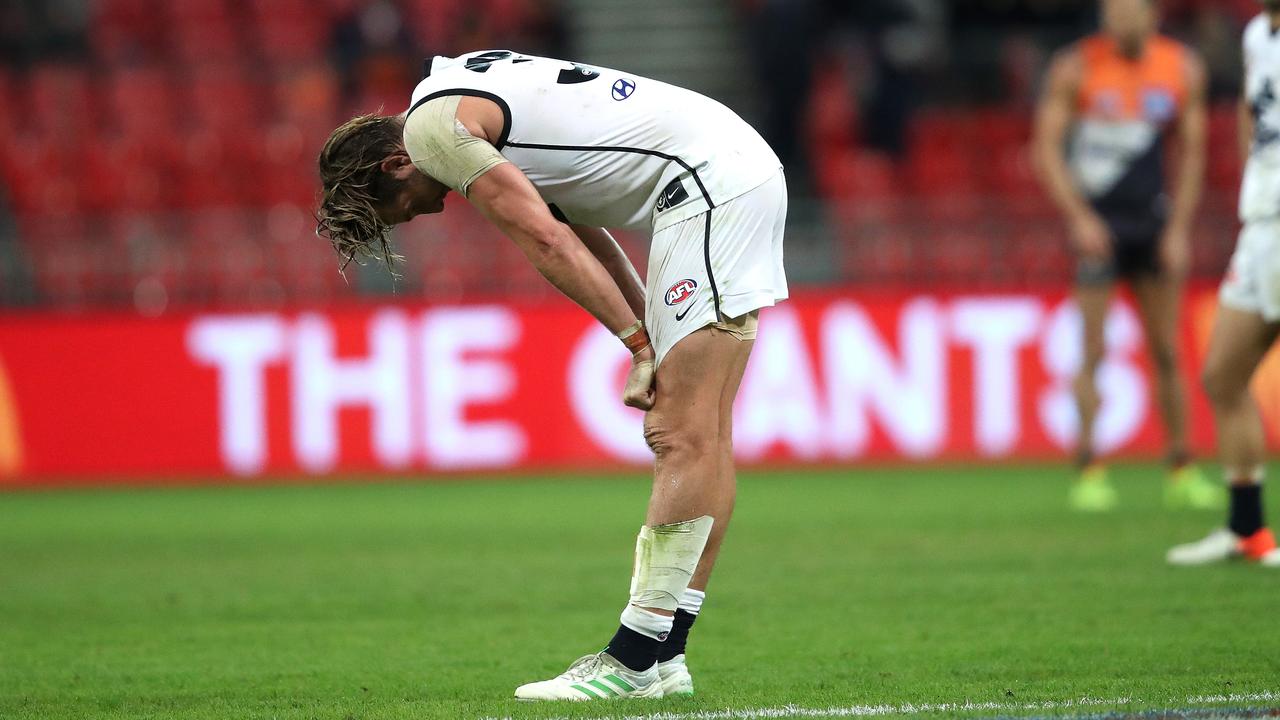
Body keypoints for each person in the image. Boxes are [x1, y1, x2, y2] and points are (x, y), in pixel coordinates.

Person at [315, 50, 787, 699]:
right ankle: (664, 654)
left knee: (679, 432)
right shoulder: (468, 102)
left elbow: (544, 241)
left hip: (709, 186)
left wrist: (639, 344)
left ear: (397, 163)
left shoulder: (431, 129)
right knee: (704, 433)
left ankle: (631, 660)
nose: (431, 212)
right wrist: (642, 333)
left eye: (403, 206)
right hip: (731, 172)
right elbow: (579, 227)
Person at [1033, 0, 1220, 512]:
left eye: (1130, 10)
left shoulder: (1180, 67)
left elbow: (1192, 152)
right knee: (1093, 349)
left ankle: (1181, 466)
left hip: (1153, 224)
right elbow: (1046, 149)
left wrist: (1178, 229)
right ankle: (1089, 467)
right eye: (1112, 11)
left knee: (1166, 349)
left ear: (1152, 14)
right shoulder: (1077, 67)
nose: (1120, 21)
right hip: (1100, 226)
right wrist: (1079, 217)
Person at [1167, 1, 1280, 567]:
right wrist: (1253, 179)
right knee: (1222, 374)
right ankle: (1248, 530)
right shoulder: (1259, 34)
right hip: (1262, 226)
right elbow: (1248, 109)